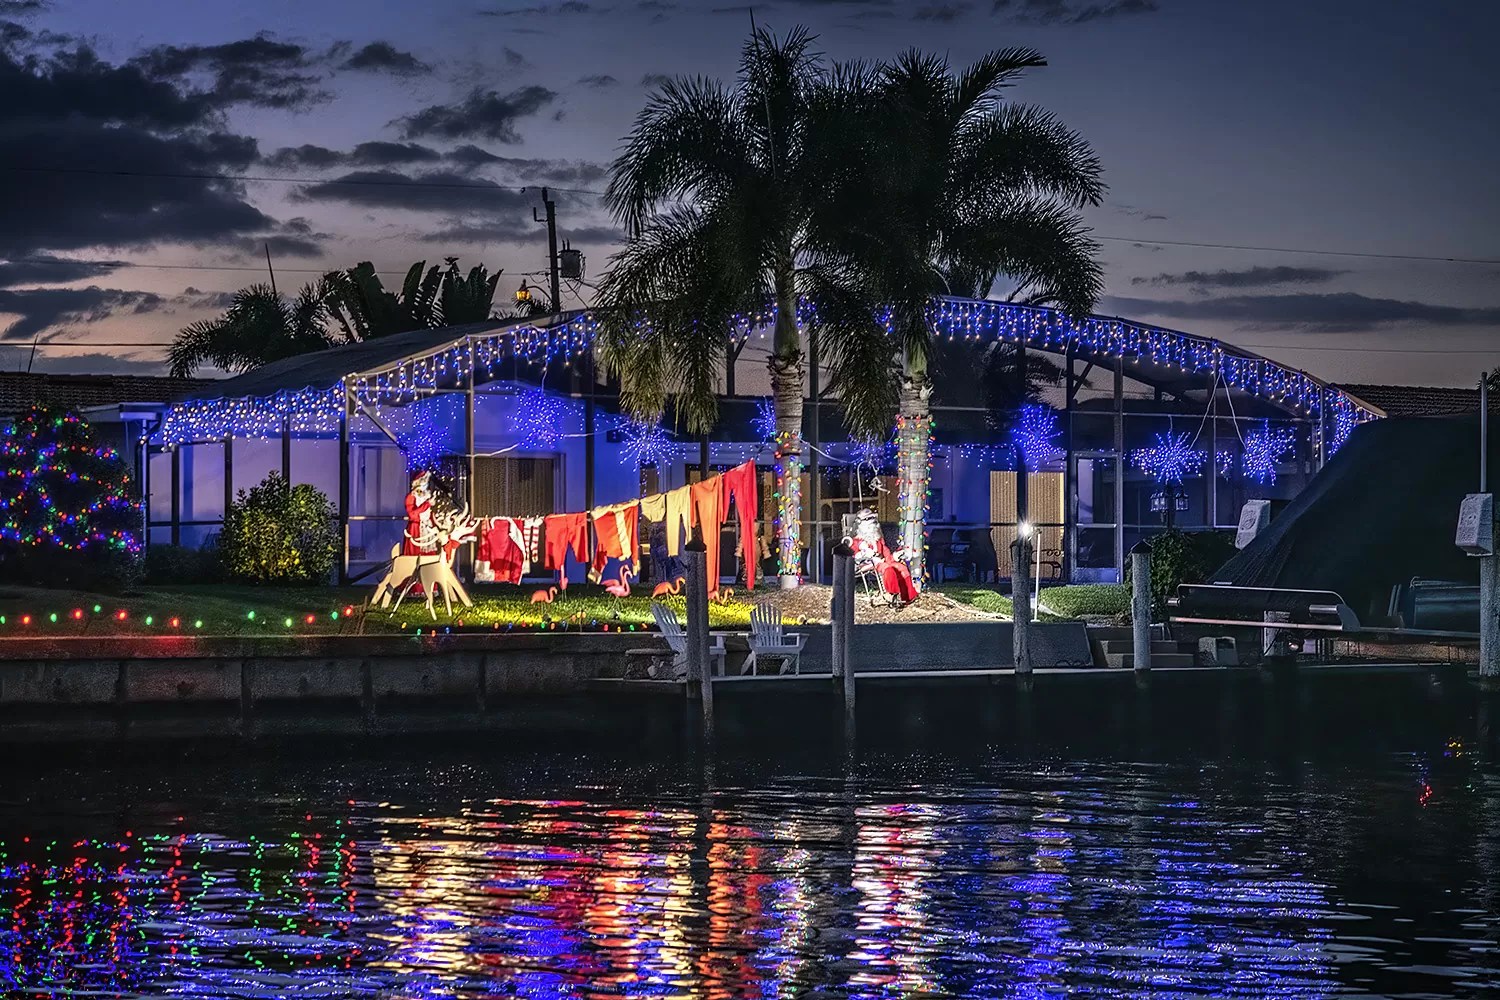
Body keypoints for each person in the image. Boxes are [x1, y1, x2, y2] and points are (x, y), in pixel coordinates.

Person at [846, 507, 918, 605]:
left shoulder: (878, 540)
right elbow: (855, 556)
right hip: (866, 564)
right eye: (868, 520)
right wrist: (865, 553)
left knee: (901, 568)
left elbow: (886, 555)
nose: (873, 523)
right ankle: (892, 594)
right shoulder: (856, 542)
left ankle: (909, 595)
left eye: (873, 519)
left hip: (881, 562)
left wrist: (895, 556)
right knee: (888, 569)